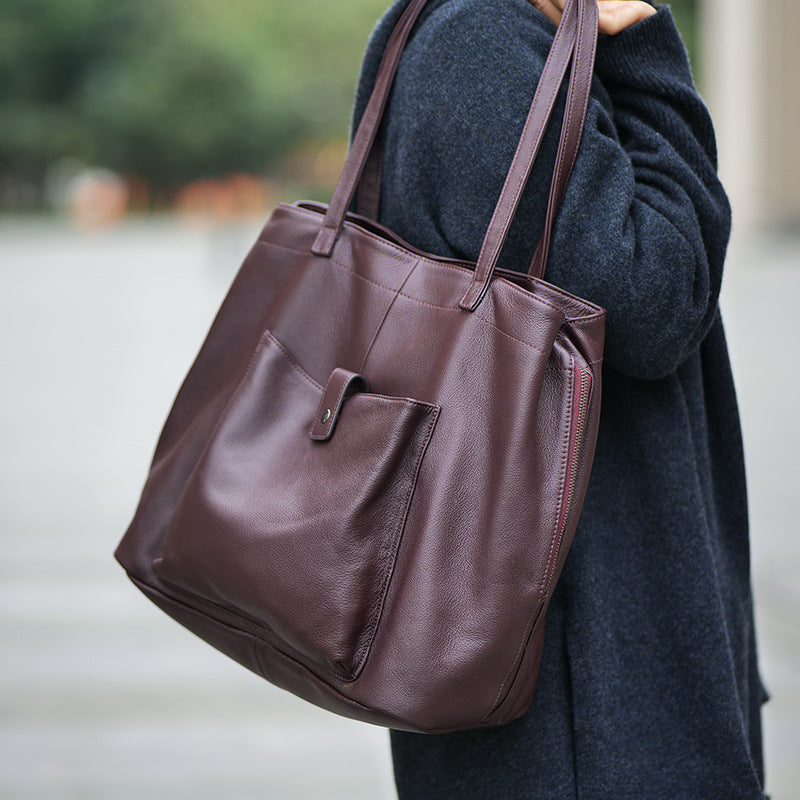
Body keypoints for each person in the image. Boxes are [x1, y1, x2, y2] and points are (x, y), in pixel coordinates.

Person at [347, 0, 769, 798]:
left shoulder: (483, 32)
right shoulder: (484, 42)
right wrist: (648, 54)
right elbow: (656, 298)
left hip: (579, 663)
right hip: (587, 689)